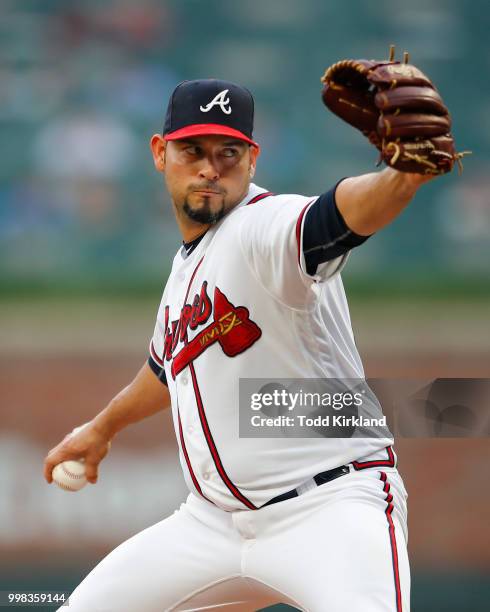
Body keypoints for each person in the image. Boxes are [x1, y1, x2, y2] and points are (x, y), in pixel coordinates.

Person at [44, 79, 432, 611]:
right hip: (212, 524)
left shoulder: (262, 228)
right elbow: (166, 370)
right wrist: (99, 429)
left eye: (228, 152)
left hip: (329, 510)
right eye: (192, 150)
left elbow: (340, 215)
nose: (210, 167)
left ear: (252, 159)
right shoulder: (186, 271)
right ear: (161, 153)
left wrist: (402, 175)